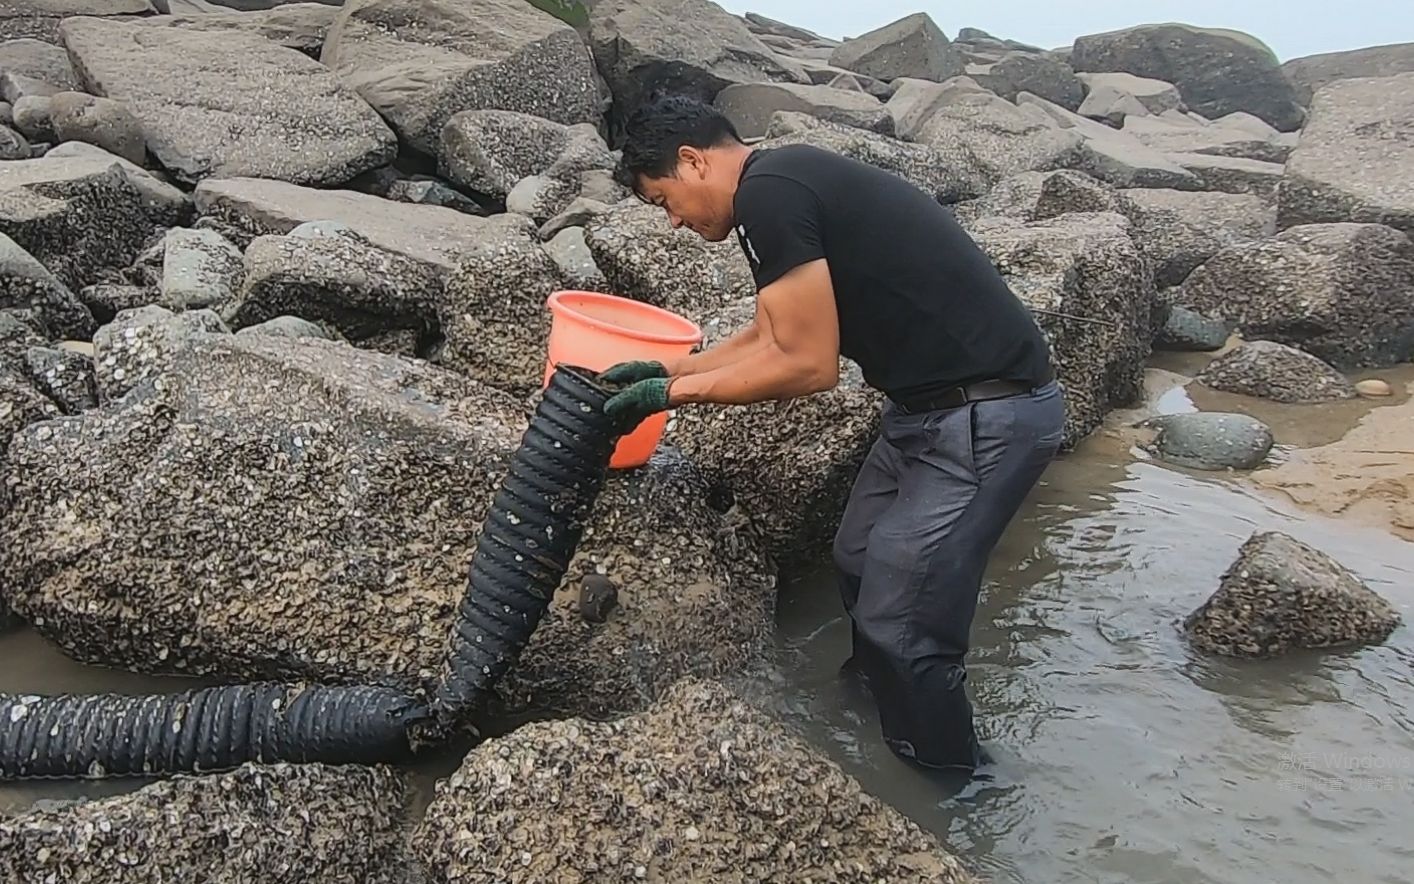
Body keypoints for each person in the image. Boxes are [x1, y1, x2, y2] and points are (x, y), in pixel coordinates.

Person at [598, 95, 1065, 773]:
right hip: (926, 410)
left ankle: (951, 786)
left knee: (903, 616)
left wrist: (669, 395)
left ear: (693, 161)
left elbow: (808, 366)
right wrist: (672, 365)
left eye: (662, 198)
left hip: (988, 414)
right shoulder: (783, 183)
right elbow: (769, 332)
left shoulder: (769, 195)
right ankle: (873, 711)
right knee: (858, 555)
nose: (671, 220)